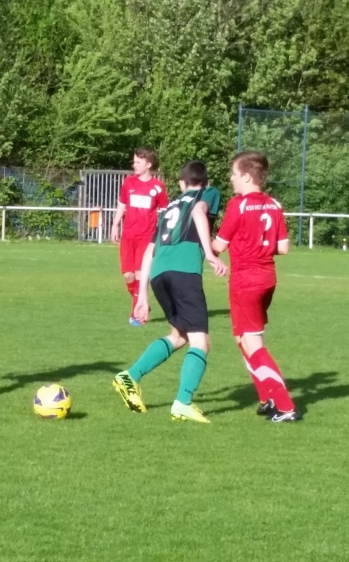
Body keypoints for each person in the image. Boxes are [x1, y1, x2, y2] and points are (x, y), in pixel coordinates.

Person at [111, 160, 228, 423]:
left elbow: (150, 250)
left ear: (180, 183)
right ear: (205, 182)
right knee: (201, 341)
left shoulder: (171, 207)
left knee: (179, 335)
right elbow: (199, 211)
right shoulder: (207, 193)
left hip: (158, 274)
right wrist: (210, 254)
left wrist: (142, 296)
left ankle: (130, 376)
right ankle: (183, 403)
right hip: (184, 271)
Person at [211, 151, 300, 422]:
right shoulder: (274, 204)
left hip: (245, 280)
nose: (231, 178)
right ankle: (266, 397)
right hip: (267, 278)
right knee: (242, 338)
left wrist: (203, 238)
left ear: (247, 177)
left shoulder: (238, 205)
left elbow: (219, 245)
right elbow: (283, 248)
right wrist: (259, 244)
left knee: (253, 343)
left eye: (234, 174)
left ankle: (285, 406)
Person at [110, 147, 168, 326]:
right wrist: (115, 225)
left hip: (146, 237)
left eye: (138, 162)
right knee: (128, 276)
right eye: (134, 162)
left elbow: (165, 212)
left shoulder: (158, 187)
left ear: (148, 164)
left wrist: (163, 234)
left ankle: (136, 314)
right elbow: (122, 205)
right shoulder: (128, 183)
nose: (134, 165)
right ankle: (142, 302)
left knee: (140, 275)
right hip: (128, 236)